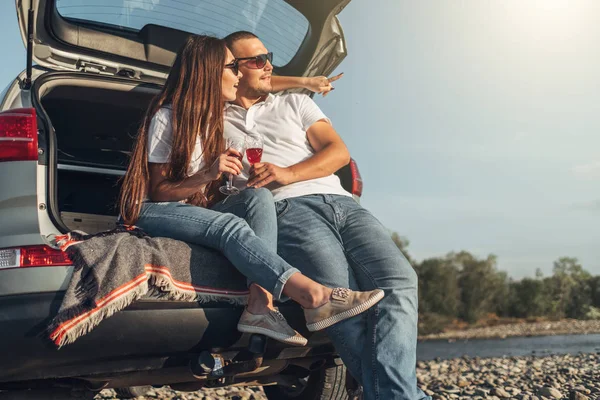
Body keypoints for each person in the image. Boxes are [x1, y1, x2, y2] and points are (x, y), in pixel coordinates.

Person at [117, 34, 383, 348]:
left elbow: (265, 83)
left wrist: (307, 82)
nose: (241, 75)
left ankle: (260, 305)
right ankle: (313, 295)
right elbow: (159, 192)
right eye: (233, 68)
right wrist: (206, 175)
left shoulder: (215, 119)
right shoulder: (167, 118)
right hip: (152, 209)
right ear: (210, 73)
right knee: (230, 226)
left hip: (194, 209)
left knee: (259, 197)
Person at [223, 31, 430, 400]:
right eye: (255, 60)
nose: (267, 64)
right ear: (232, 70)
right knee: (339, 304)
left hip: (342, 203)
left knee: (400, 282)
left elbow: (337, 153)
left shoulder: (295, 103)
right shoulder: (213, 114)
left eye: (267, 55)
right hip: (284, 209)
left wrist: (288, 172)